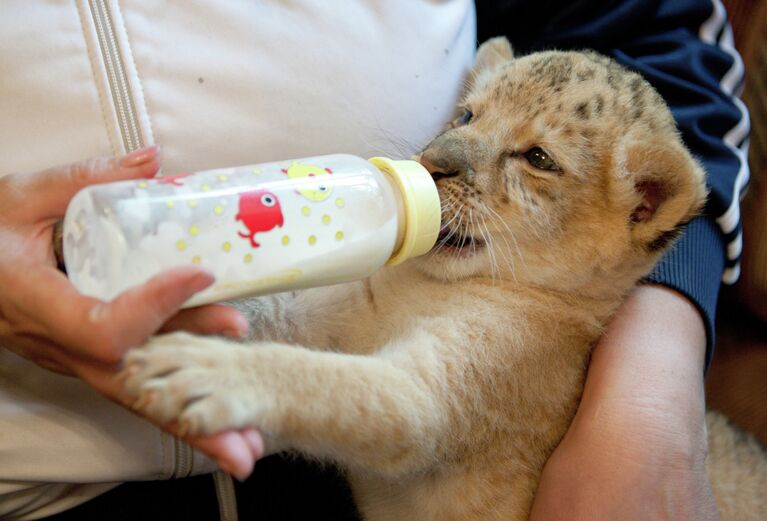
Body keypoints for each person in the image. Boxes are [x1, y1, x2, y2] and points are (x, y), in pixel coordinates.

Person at [0, 1, 747, 520]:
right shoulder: (450, 259)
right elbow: (301, 323)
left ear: (642, 206)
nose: (444, 156)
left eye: (536, 159)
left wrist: (652, 395)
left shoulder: (538, 322)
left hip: (294, 461)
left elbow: (405, 410)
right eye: (465, 116)